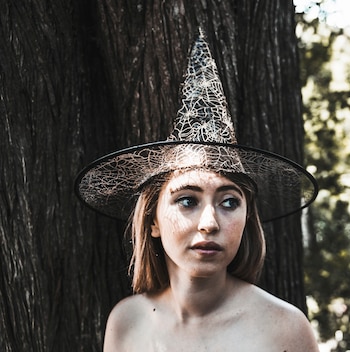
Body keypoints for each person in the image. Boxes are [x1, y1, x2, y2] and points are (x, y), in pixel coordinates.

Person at [75, 30, 319, 351]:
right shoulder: (126, 322)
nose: (210, 223)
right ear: (153, 221)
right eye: (187, 200)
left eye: (229, 202)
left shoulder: (284, 328)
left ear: (248, 216)